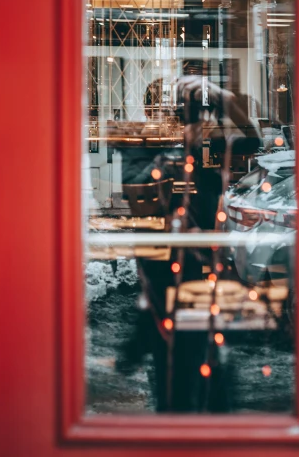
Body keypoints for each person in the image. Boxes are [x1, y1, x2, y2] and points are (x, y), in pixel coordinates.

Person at [116, 74, 262, 411]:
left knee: (212, 373)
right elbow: (138, 192)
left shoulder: (210, 145)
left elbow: (252, 142)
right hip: (160, 273)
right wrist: (177, 151)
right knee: (173, 377)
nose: (180, 115)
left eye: (185, 107)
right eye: (169, 108)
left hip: (205, 275)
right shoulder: (143, 145)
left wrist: (225, 98)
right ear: (154, 112)